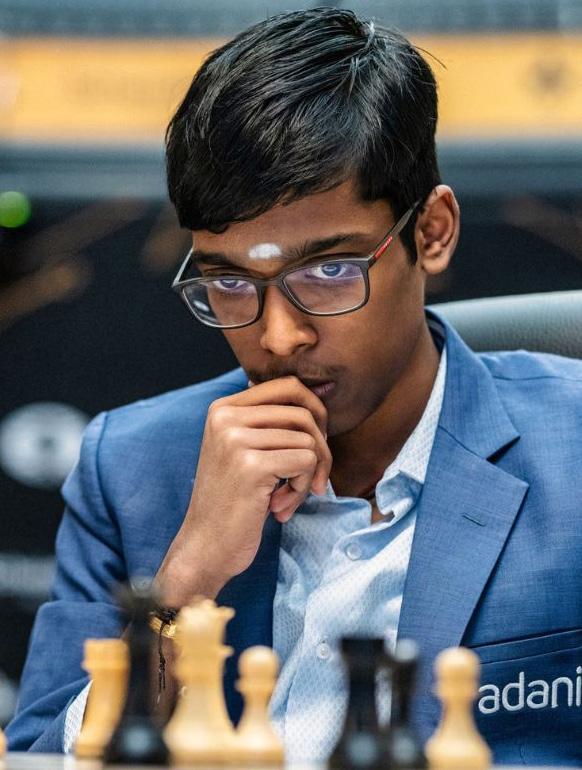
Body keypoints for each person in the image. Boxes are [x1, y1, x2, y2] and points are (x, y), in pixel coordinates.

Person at [6, 7, 582, 765]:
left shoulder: (573, 448)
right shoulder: (132, 467)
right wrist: (183, 586)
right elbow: (42, 757)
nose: (279, 336)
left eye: (331, 270)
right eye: (230, 282)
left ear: (432, 232)